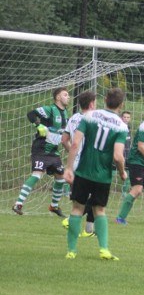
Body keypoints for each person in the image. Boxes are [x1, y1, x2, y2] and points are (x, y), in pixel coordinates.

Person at [63, 87, 129, 260]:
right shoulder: (122, 127)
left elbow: (75, 144)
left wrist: (69, 168)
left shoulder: (89, 116)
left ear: (105, 99)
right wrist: (122, 173)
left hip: (84, 172)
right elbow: (118, 156)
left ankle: (71, 251)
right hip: (103, 176)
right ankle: (104, 249)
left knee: (77, 208)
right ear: (121, 105)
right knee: (99, 210)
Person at [13, 87, 70, 217]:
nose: (68, 97)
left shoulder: (65, 112)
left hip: (53, 151)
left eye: (68, 95)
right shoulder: (50, 109)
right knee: (37, 174)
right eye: (65, 95)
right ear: (58, 97)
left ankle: (54, 207)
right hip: (41, 148)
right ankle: (18, 204)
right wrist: (38, 125)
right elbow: (31, 114)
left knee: (60, 178)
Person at [61, 90, 98, 237]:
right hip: (88, 163)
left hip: (75, 163)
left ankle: (89, 230)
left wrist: (73, 154)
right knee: (95, 196)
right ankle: (71, 220)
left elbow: (64, 140)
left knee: (85, 196)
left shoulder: (74, 117)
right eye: (95, 102)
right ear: (91, 103)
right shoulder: (94, 119)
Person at [119, 110, 132, 197]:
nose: (126, 119)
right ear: (121, 118)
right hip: (118, 154)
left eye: (128, 117)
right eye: (124, 117)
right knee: (112, 172)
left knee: (128, 171)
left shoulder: (129, 128)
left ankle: (123, 192)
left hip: (127, 154)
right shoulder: (118, 127)